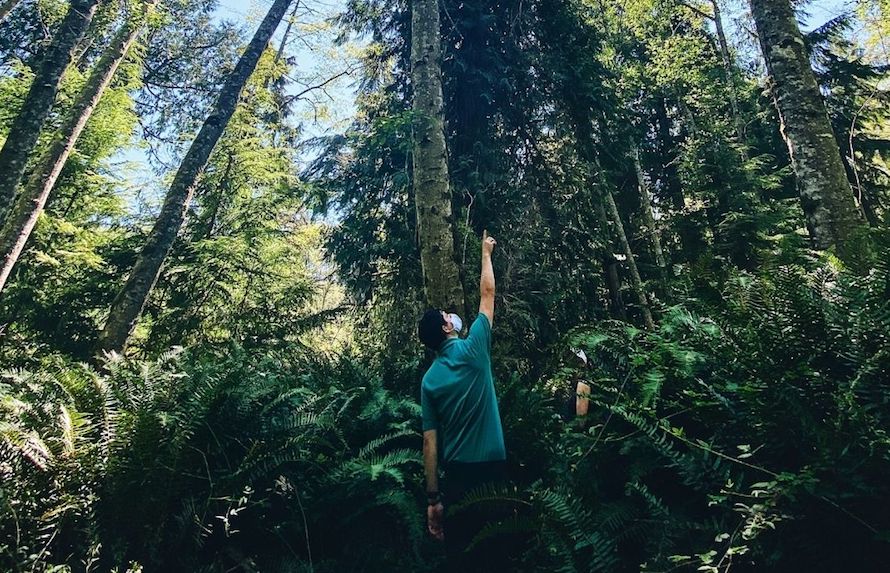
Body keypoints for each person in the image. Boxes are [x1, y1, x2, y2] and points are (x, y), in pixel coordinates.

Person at [418, 230, 507, 569]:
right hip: (494, 471)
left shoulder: (429, 381)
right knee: (498, 554)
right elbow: (488, 293)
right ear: (445, 329)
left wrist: (433, 499)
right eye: (446, 316)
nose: (451, 316)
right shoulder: (475, 349)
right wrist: (485, 254)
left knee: (464, 560)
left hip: (456, 478)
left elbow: (430, 444)